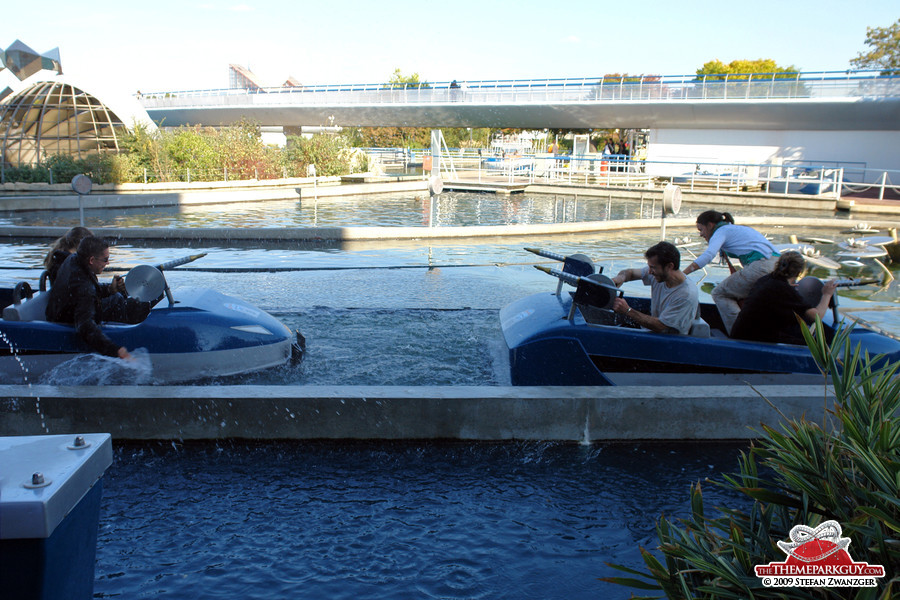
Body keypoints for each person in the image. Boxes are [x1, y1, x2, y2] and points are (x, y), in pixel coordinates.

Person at [46, 237, 150, 360]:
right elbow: (85, 327)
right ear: (91, 260)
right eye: (105, 260)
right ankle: (141, 334)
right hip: (65, 325)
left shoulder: (74, 259)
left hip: (61, 313)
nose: (108, 263)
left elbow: (84, 291)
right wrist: (117, 351)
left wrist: (110, 289)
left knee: (117, 296)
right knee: (125, 303)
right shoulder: (83, 287)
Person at [682, 210, 780, 335]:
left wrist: (683, 274)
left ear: (710, 225)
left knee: (719, 293)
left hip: (762, 265)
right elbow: (735, 271)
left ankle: (739, 334)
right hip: (776, 265)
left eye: (701, 229)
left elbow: (708, 255)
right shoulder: (735, 230)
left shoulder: (720, 231)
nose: (701, 234)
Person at [731, 252, 838, 345]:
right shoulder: (783, 290)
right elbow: (816, 316)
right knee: (815, 340)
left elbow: (778, 295)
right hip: (755, 339)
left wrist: (789, 289)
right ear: (799, 272)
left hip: (742, 332)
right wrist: (827, 294)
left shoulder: (766, 280)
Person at [610, 241, 699, 335]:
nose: (649, 272)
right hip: (652, 331)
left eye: (653, 267)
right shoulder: (659, 275)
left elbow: (660, 326)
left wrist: (627, 310)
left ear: (670, 266)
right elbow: (630, 273)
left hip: (668, 341)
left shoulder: (686, 294)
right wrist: (620, 278)